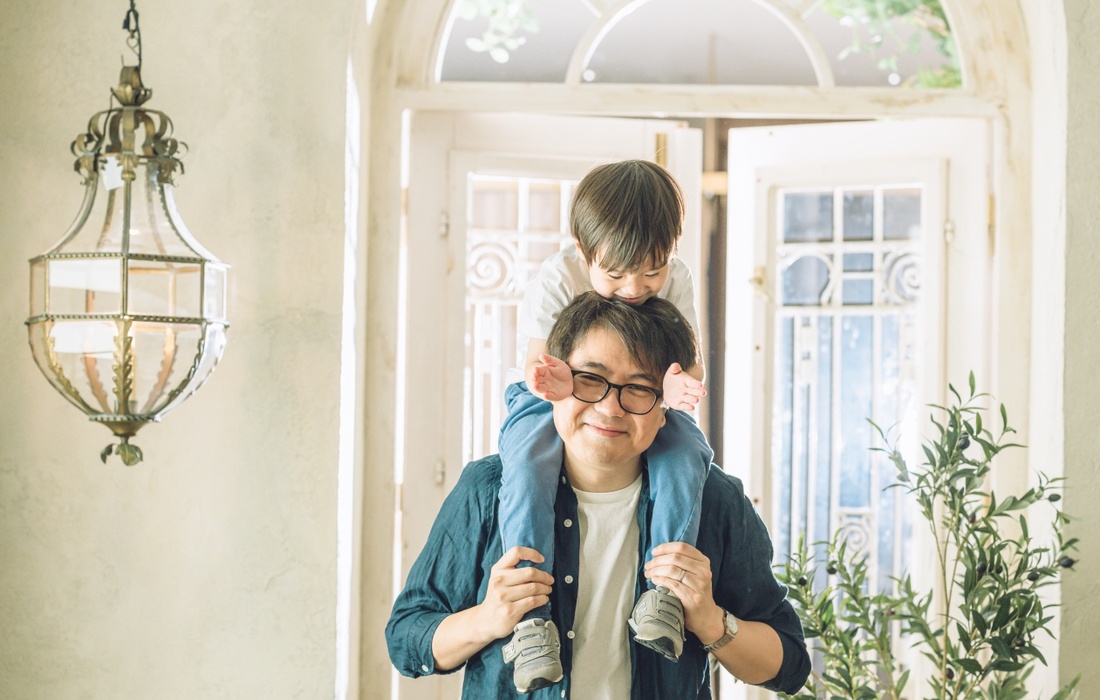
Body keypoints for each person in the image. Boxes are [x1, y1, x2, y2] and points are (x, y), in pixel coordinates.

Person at [386, 292, 811, 699]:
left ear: (667, 407)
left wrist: (711, 620)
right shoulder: (487, 488)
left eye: (639, 388)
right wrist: (487, 619)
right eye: (589, 379)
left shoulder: (715, 499)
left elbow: (789, 663)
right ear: (551, 383)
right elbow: (406, 638)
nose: (610, 408)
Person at [498, 159, 713, 692]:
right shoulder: (559, 276)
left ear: (671, 250)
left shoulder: (678, 277)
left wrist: (678, 388)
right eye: (615, 274)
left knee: (688, 454)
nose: (635, 288)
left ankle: (663, 595)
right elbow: (536, 365)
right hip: (554, 393)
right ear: (583, 249)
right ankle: (530, 621)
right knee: (526, 466)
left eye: (652, 271)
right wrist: (555, 381)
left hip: (641, 396)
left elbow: (690, 366)